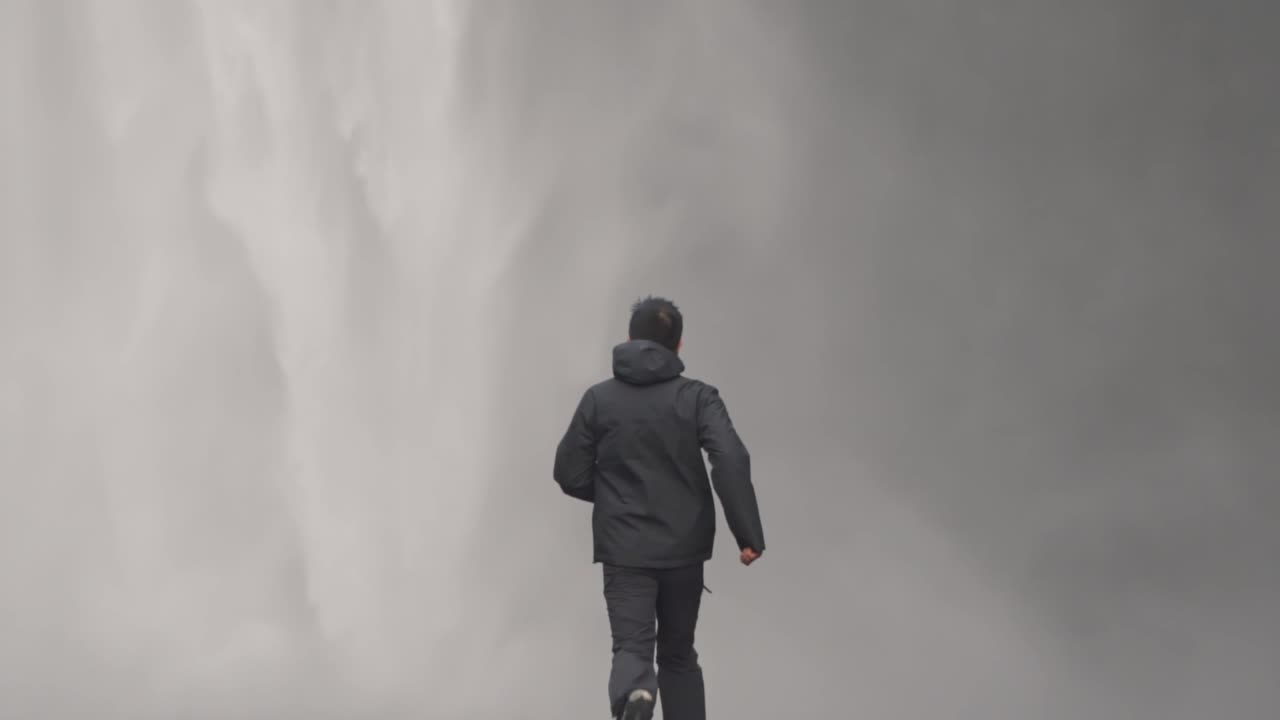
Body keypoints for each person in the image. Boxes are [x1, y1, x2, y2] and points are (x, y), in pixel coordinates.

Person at [553, 295, 766, 720]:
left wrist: (617, 497)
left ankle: (636, 695)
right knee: (678, 654)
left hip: (625, 549)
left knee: (632, 646)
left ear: (630, 338)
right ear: (679, 346)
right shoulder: (699, 398)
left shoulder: (599, 399)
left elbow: (568, 471)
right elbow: (731, 459)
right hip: (684, 549)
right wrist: (748, 535)